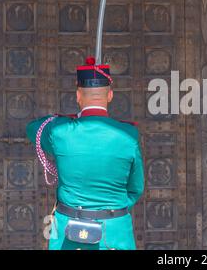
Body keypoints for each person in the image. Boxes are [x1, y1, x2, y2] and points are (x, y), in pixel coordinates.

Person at [26, 57, 144, 250]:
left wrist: (63, 119)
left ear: (78, 96)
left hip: (69, 232)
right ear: (110, 95)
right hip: (115, 231)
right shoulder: (128, 135)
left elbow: (33, 129)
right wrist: (113, 209)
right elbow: (135, 188)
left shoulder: (60, 132)